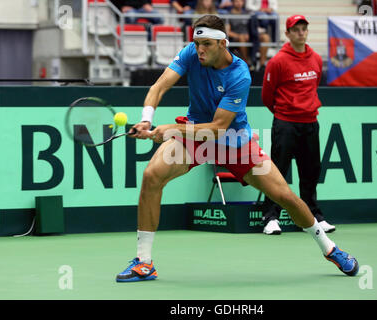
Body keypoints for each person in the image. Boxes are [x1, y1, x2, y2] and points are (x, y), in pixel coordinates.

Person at [115, 14, 359, 282]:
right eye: (197, 44)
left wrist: (170, 130)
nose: (200, 50)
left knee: (285, 196)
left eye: (206, 44)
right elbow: (159, 86)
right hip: (195, 136)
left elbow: (219, 126)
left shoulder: (239, 74)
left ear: (223, 43)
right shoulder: (190, 54)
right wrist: (147, 119)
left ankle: (330, 249)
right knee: (152, 176)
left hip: (235, 142)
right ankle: (144, 263)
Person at [260, 15, 336, 236]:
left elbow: (313, 88)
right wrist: (284, 114)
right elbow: (267, 96)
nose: (301, 33)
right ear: (288, 34)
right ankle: (271, 217)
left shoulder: (316, 59)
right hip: (285, 124)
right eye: (296, 30)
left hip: (311, 123)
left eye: (304, 29)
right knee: (278, 173)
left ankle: (313, 217)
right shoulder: (278, 61)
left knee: (311, 172)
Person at [226, 0, 270, 69]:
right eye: (237, 1)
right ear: (233, 2)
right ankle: (247, 63)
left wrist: (251, 34)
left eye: (241, 1)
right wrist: (240, 36)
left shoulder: (248, 13)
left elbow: (254, 27)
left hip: (250, 36)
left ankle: (262, 65)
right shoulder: (228, 15)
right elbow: (228, 32)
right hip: (236, 38)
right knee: (242, 38)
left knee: (265, 37)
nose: (239, 3)